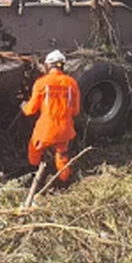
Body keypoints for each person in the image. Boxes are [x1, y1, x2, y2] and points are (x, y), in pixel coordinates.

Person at [22, 50, 81, 182]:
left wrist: (23, 107)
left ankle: (35, 176)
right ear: (62, 65)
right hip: (65, 129)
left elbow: (31, 110)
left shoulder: (41, 83)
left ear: (48, 66)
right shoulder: (72, 83)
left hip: (46, 130)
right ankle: (64, 182)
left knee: (34, 149)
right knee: (62, 154)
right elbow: (76, 111)